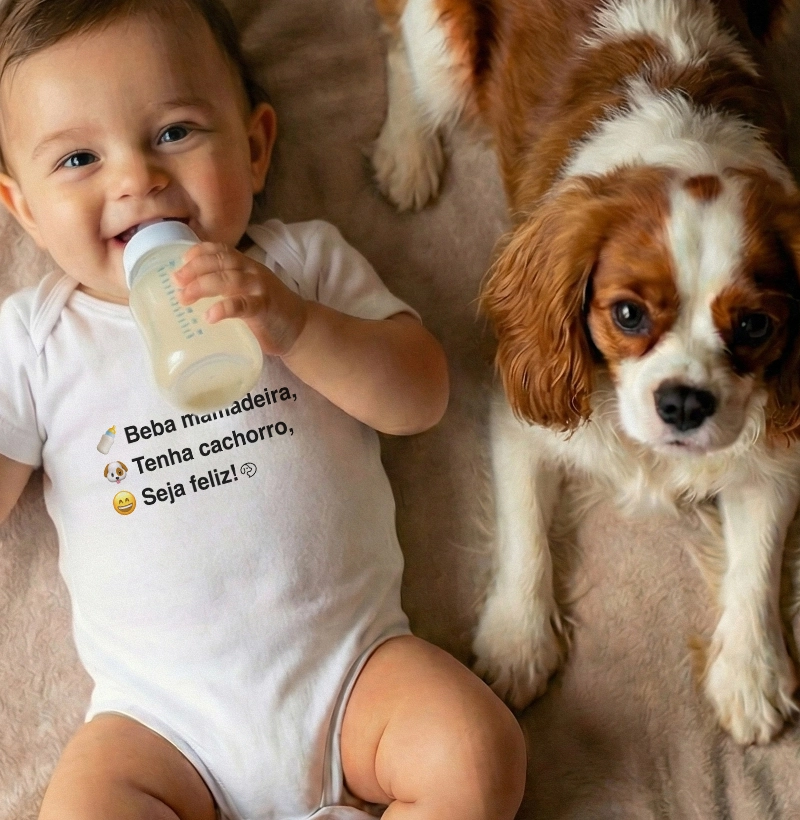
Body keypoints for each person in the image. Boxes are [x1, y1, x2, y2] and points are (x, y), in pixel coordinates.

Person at [0, 1, 527, 819]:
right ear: (23, 207)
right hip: (157, 723)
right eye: (77, 158)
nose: (136, 178)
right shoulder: (38, 338)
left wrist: (298, 325)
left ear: (254, 147)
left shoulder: (297, 262)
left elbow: (421, 395)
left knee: (477, 753)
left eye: (175, 132)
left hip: (353, 674)